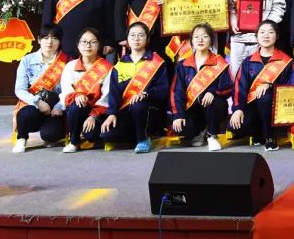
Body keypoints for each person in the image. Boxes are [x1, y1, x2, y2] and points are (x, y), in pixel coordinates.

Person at [99, 22, 168, 153]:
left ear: (147, 39)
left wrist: (146, 94)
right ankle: (137, 135)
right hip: (127, 111)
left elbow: (163, 90)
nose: (136, 39)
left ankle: (143, 139)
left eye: (141, 35)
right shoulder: (119, 65)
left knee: (139, 105)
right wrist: (112, 113)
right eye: (132, 35)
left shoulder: (157, 62)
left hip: (150, 110)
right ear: (127, 39)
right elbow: (114, 94)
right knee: (108, 135)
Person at [230, 20, 293, 151]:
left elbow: (291, 87)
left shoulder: (286, 61)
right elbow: (239, 87)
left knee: (265, 98)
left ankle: (270, 137)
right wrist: (238, 109)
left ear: (277, 36)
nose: (266, 36)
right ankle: (258, 134)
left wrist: (270, 85)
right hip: (253, 106)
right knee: (237, 127)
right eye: (262, 32)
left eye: (270, 32)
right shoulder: (249, 61)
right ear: (257, 36)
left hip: (276, 108)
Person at [170, 22, 232, 151]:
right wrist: (178, 115)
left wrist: (213, 92)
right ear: (191, 41)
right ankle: (199, 131)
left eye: (205, 36)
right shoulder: (183, 65)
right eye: (196, 37)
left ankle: (212, 135)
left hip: (213, 107)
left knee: (215, 103)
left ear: (211, 40)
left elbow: (228, 87)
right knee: (182, 127)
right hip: (192, 108)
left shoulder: (219, 62)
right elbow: (177, 91)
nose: (200, 40)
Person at [12, 24, 69, 153]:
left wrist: (59, 107)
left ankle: (50, 132)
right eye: (46, 38)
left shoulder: (67, 61)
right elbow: (20, 89)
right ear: (39, 40)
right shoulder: (27, 60)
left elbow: (68, 90)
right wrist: (38, 102)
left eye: (54, 38)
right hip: (35, 104)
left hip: (56, 108)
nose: (50, 42)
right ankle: (21, 139)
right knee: (25, 114)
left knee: (50, 135)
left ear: (60, 41)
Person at [57, 27, 113, 153]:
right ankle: (74, 141)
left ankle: (90, 132)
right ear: (78, 45)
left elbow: (107, 96)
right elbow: (66, 90)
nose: (88, 46)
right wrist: (77, 95)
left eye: (93, 42)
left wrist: (93, 116)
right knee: (76, 106)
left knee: (91, 135)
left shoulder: (107, 68)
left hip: (98, 111)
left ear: (99, 45)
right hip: (77, 109)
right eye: (84, 42)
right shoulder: (70, 66)